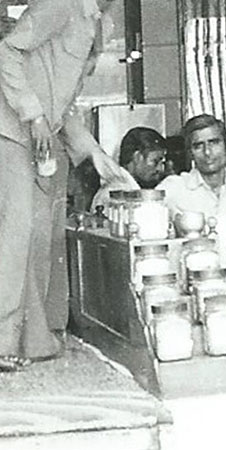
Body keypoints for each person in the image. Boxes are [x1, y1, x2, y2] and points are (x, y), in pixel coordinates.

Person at [0, 0, 123, 371]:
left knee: (42, 237)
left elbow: (64, 101)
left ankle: (36, 338)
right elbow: (6, 51)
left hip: (42, 138)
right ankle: (4, 341)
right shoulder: (60, 4)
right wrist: (33, 115)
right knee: (17, 236)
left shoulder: (100, 22)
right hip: (11, 130)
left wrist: (94, 153)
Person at [155, 115, 226, 283]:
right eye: (198, 146)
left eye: (214, 142)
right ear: (190, 153)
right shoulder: (173, 188)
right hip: (196, 286)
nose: (207, 153)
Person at [90, 127, 167, 212]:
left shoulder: (128, 188)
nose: (160, 169)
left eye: (162, 163)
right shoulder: (119, 194)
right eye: (155, 161)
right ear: (137, 157)